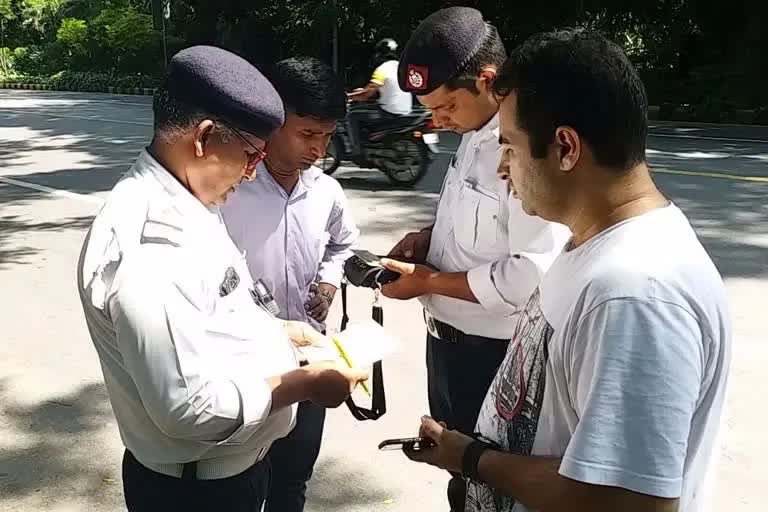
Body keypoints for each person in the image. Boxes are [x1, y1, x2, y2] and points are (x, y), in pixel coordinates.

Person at [404, 29, 732, 512]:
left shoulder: (633, 293)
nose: (502, 170)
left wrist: (473, 458)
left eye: (510, 148)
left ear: (565, 148)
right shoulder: (590, 249)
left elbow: (625, 499)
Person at [76, 45, 368, 512]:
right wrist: (305, 385)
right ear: (204, 137)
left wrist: (280, 333)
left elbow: (218, 313)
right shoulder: (155, 245)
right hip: (197, 489)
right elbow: (188, 409)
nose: (255, 171)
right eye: (251, 154)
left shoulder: (188, 200)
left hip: (223, 474)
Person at [379, 7, 571, 511]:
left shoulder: (522, 146)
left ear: (487, 81)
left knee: (492, 483)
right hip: (446, 345)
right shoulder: (472, 134)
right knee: (457, 473)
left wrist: (429, 281)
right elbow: (476, 223)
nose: (435, 119)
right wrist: (429, 238)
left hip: (493, 355)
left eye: (444, 106)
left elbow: (529, 272)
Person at [221, 56, 358, 512]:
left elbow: (342, 246)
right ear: (272, 123)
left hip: (307, 355)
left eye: (328, 136)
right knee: (243, 483)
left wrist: (328, 282)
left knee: (293, 478)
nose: (319, 150)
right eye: (307, 134)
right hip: (244, 364)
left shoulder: (325, 192)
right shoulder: (228, 191)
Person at [347, 38, 413, 146]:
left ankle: (357, 150)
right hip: (406, 111)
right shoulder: (403, 68)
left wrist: (347, 96)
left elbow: (366, 95)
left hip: (389, 112)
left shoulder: (382, 69)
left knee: (352, 115)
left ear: (380, 54)